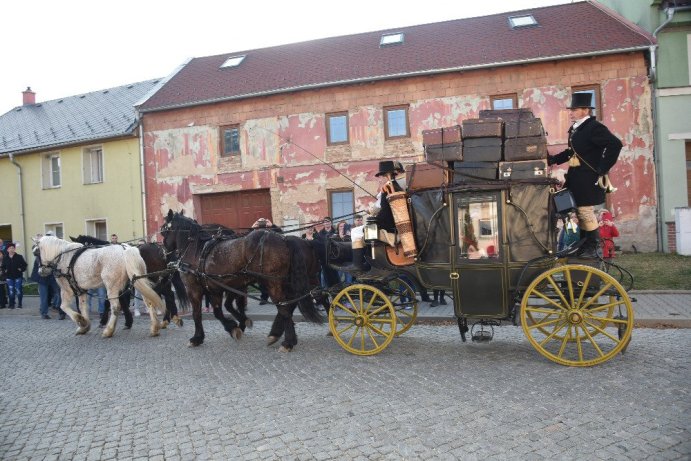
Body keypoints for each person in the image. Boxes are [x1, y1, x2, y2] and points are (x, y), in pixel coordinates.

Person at [547, 92, 623, 258]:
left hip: (588, 178)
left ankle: (593, 246)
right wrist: (552, 159)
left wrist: (602, 168)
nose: (571, 112)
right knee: (580, 213)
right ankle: (584, 246)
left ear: (585, 110)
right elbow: (571, 152)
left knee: (585, 212)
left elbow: (615, 144)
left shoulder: (594, 127)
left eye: (574, 109)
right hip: (577, 178)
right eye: (571, 109)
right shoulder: (576, 128)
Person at [347, 161, 405, 271]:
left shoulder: (387, 189)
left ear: (387, 175)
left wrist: (374, 221)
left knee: (355, 232)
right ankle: (365, 261)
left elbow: (385, 213)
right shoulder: (396, 187)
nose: (380, 179)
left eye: (381, 176)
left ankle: (358, 265)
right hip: (394, 227)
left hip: (388, 229)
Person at [30, 242, 65, 320]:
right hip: (42, 278)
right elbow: (34, 251)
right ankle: (44, 313)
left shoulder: (54, 253)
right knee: (44, 297)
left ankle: (61, 312)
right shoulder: (39, 254)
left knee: (60, 294)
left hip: (53, 277)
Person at [1, 243, 28, 309]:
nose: (11, 249)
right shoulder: (5, 258)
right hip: (9, 277)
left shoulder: (19, 256)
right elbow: (3, 267)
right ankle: (11, 304)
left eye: (13, 248)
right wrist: (5, 271)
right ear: (7, 250)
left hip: (18, 276)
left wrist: (21, 269)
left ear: (14, 249)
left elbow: (25, 265)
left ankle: (20, 304)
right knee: (11, 291)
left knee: (18, 291)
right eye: (10, 248)